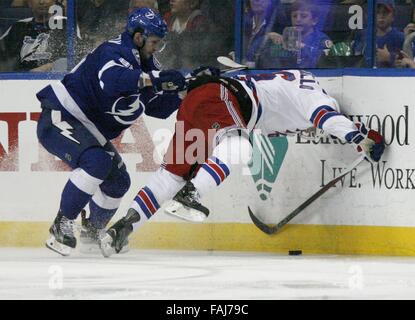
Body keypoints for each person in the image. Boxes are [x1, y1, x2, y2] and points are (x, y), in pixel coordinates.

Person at [98, 69, 386, 257]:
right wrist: (357, 138)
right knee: (239, 146)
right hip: (221, 98)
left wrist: (358, 132)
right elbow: (327, 117)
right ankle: (192, 193)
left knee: (171, 174)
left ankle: (122, 228)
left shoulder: (287, 86)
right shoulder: (313, 97)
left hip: (199, 102)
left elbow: (331, 121)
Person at [36, 7, 187, 256]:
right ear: (138, 37)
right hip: (61, 115)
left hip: (89, 129)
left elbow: (156, 109)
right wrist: (156, 79)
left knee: (118, 182)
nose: (156, 49)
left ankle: (91, 233)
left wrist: (183, 93)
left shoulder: (146, 63)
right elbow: (114, 81)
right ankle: (60, 226)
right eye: (153, 43)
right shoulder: (112, 51)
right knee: (96, 163)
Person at [257, 0, 332, 69]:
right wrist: (266, 37)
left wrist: (303, 47)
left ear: (314, 21)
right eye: (294, 16)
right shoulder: (284, 36)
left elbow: (326, 62)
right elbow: (253, 56)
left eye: (303, 16)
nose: (298, 19)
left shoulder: (322, 40)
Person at [0, 0, 67, 72]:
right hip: (19, 79)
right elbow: (3, 59)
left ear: (54, 2)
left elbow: (76, 58)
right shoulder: (18, 27)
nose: (41, 2)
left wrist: (49, 67)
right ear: (29, 3)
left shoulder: (66, 25)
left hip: (53, 78)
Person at [375, 0, 405, 68]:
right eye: (377, 12)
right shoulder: (367, 37)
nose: (381, 16)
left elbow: (409, 65)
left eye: (385, 12)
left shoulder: (401, 38)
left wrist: (389, 58)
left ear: (393, 16)